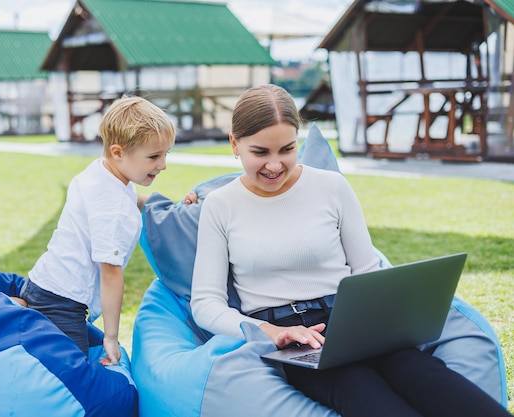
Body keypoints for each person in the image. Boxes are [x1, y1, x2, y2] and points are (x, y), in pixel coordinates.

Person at [189, 84, 512, 417]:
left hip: (355, 323)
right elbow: (205, 303)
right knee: (368, 397)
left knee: (428, 377)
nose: (274, 165)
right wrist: (271, 333)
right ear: (234, 144)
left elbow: (367, 269)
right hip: (292, 340)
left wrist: (380, 322)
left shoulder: (331, 187)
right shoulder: (220, 206)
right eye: (260, 153)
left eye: (287, 149)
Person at [21, 95, 176, 363]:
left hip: (44, 283)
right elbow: (110, 273)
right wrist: (111, 337)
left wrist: (171, 206)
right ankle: (17, 320)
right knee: (75, 379)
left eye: (165, 154)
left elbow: (130, 197)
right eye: (154, 157)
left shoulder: (102, 172)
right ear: (118, 152)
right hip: (62, 304)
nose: (163, 165)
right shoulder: (112, 209)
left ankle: (24, 308)